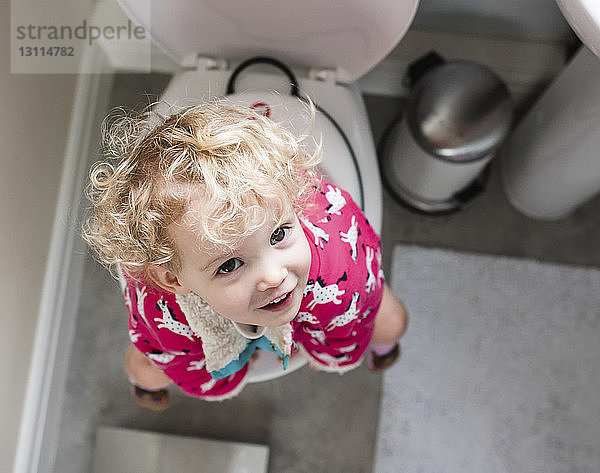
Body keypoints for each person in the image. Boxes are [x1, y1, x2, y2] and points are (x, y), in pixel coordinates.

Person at [83, 100, 408, 410]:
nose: (274, 275)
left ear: (293, 203)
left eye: (279, 234)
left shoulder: (340, 259)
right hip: (186, 313)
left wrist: (324, 354)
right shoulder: (157, 301)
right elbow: (187, 366)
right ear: (171, 278)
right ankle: (145, 385)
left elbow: (347, 326)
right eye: (230, 264)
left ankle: (384, 348)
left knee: (390, 321)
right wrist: (227, 371)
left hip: (332, 283)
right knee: (145, 367)